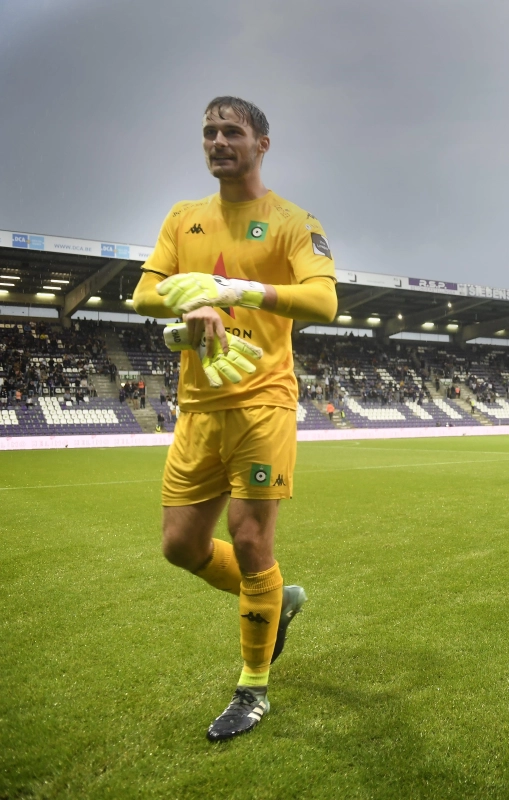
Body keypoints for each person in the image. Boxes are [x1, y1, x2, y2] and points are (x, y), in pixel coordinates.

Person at [132, 96, 338, 742]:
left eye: (232, 131)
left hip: (261, 401)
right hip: (198, 405)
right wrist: (190, 301)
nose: (218, 141)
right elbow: (143, 292)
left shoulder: (290, 222)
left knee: (250, 541)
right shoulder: (182, 218)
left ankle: (253, 688)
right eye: (209, 132)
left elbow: (324, 300)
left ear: (262, 144)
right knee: (180, 547)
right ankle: (277, 606)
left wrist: (237, 291)